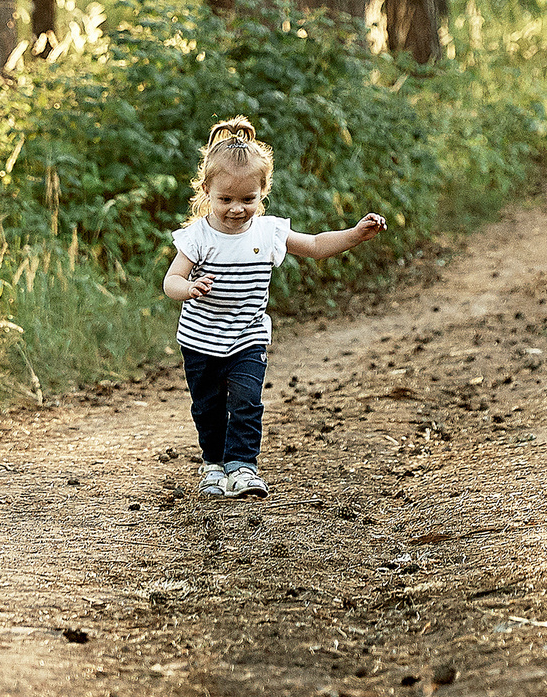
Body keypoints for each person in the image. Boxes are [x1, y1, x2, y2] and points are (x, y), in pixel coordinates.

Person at [162, 116, 387, 498]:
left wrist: (355, 234)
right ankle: (214, 465)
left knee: (247, 401)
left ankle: (242, 466)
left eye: (248, 199)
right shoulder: (197, 236)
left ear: (262, 192)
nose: (237, 209)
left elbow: (315, 246)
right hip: (200, 342)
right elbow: (170, 281)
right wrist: (189, 287)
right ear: (207, 190)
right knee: (208, 408)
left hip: (248, 338)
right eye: (226, 200)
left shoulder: (269, 232)